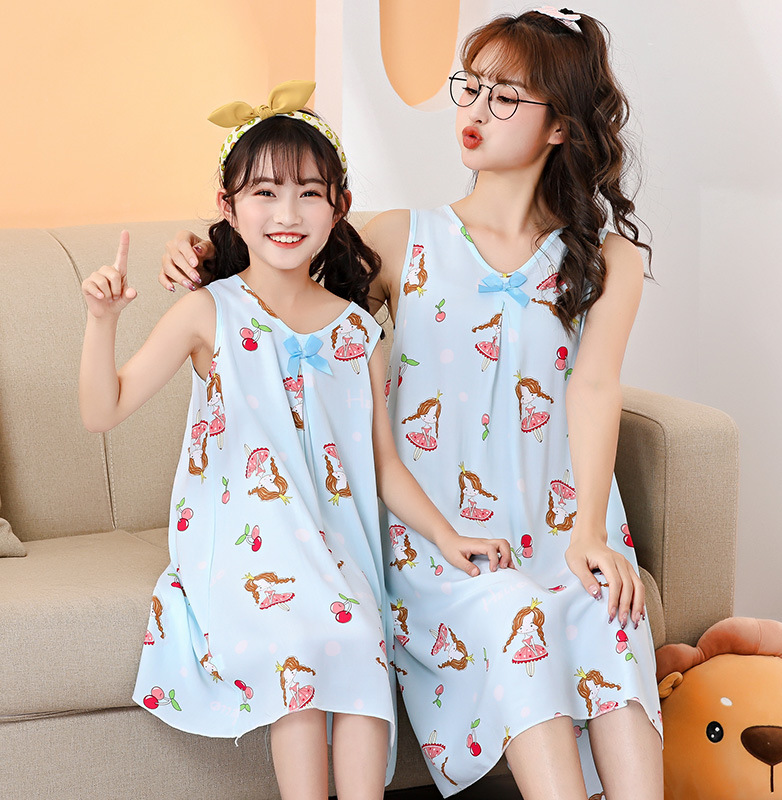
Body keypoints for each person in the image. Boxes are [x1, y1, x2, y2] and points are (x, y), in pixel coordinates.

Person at [159, 8, 664, 797]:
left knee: (610, 616)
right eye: (472, 87)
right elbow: (282, 290)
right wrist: (203, 253)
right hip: (439, 537)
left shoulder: (607, 260)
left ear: (561, 126)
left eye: (506, 97)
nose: (476, 108)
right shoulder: (401, 238)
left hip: (562, 520)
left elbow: (596, 387)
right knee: (514, 612)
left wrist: (592, 534)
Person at [79, 80, 513, 800]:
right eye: (264, 193)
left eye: (310, 194)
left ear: (339, 207)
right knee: (304, 644)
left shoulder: (359, 332)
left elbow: (384, 465)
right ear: (229, 208)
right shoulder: (207, 314)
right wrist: (102, 322)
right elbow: (104, 410)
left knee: (360, 643)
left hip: (334, 547)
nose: (287, 214)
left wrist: (447, 535)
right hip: (243, 544)